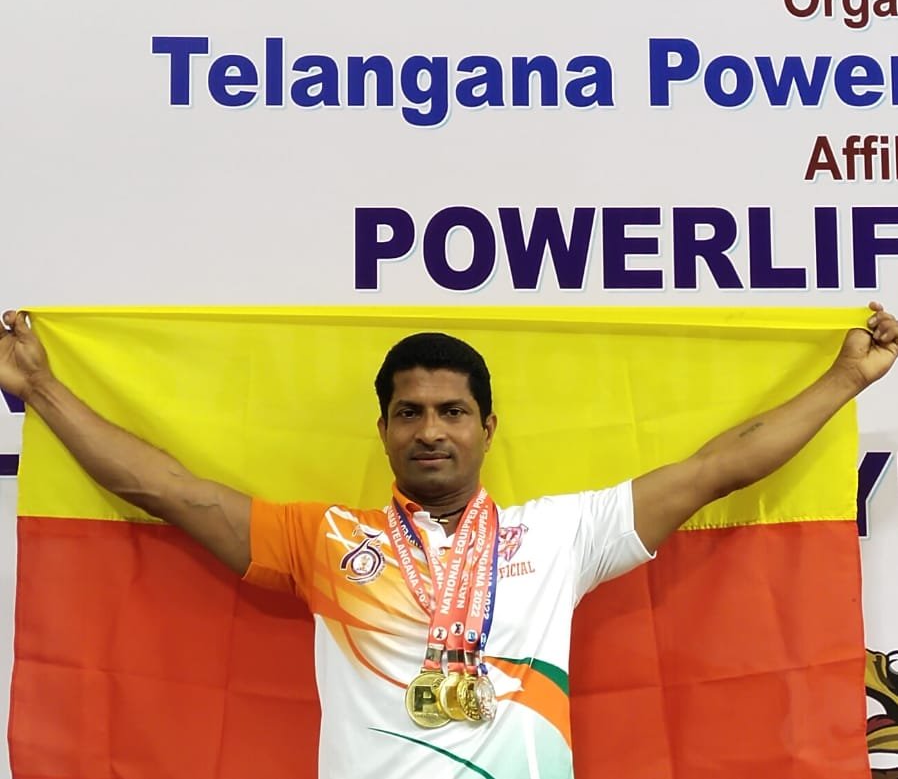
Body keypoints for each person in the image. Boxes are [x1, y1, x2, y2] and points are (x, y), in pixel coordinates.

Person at [1, 304, 897, 779]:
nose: (431, 429)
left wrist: (844, 379)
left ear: (487, 426)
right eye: (410, 412)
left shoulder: (562, 532)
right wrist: (39, 388)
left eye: (452, 411)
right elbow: (165, 488)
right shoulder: (324, 539)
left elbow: (719, 467)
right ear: (384, 429)